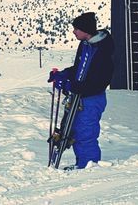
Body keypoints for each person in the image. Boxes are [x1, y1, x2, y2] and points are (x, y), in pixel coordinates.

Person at [47, 12, 115, 169]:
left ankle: (88, 166)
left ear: (86, 30)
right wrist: (63, 75)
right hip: (80, 96)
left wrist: (73, 86)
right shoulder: (85, 45)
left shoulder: (103, 50)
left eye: (76, 29)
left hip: (91, 98)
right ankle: (82, 164)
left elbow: (99, 82)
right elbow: (80, 69)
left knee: (86, 133)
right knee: (75, 131)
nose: (74, 32)